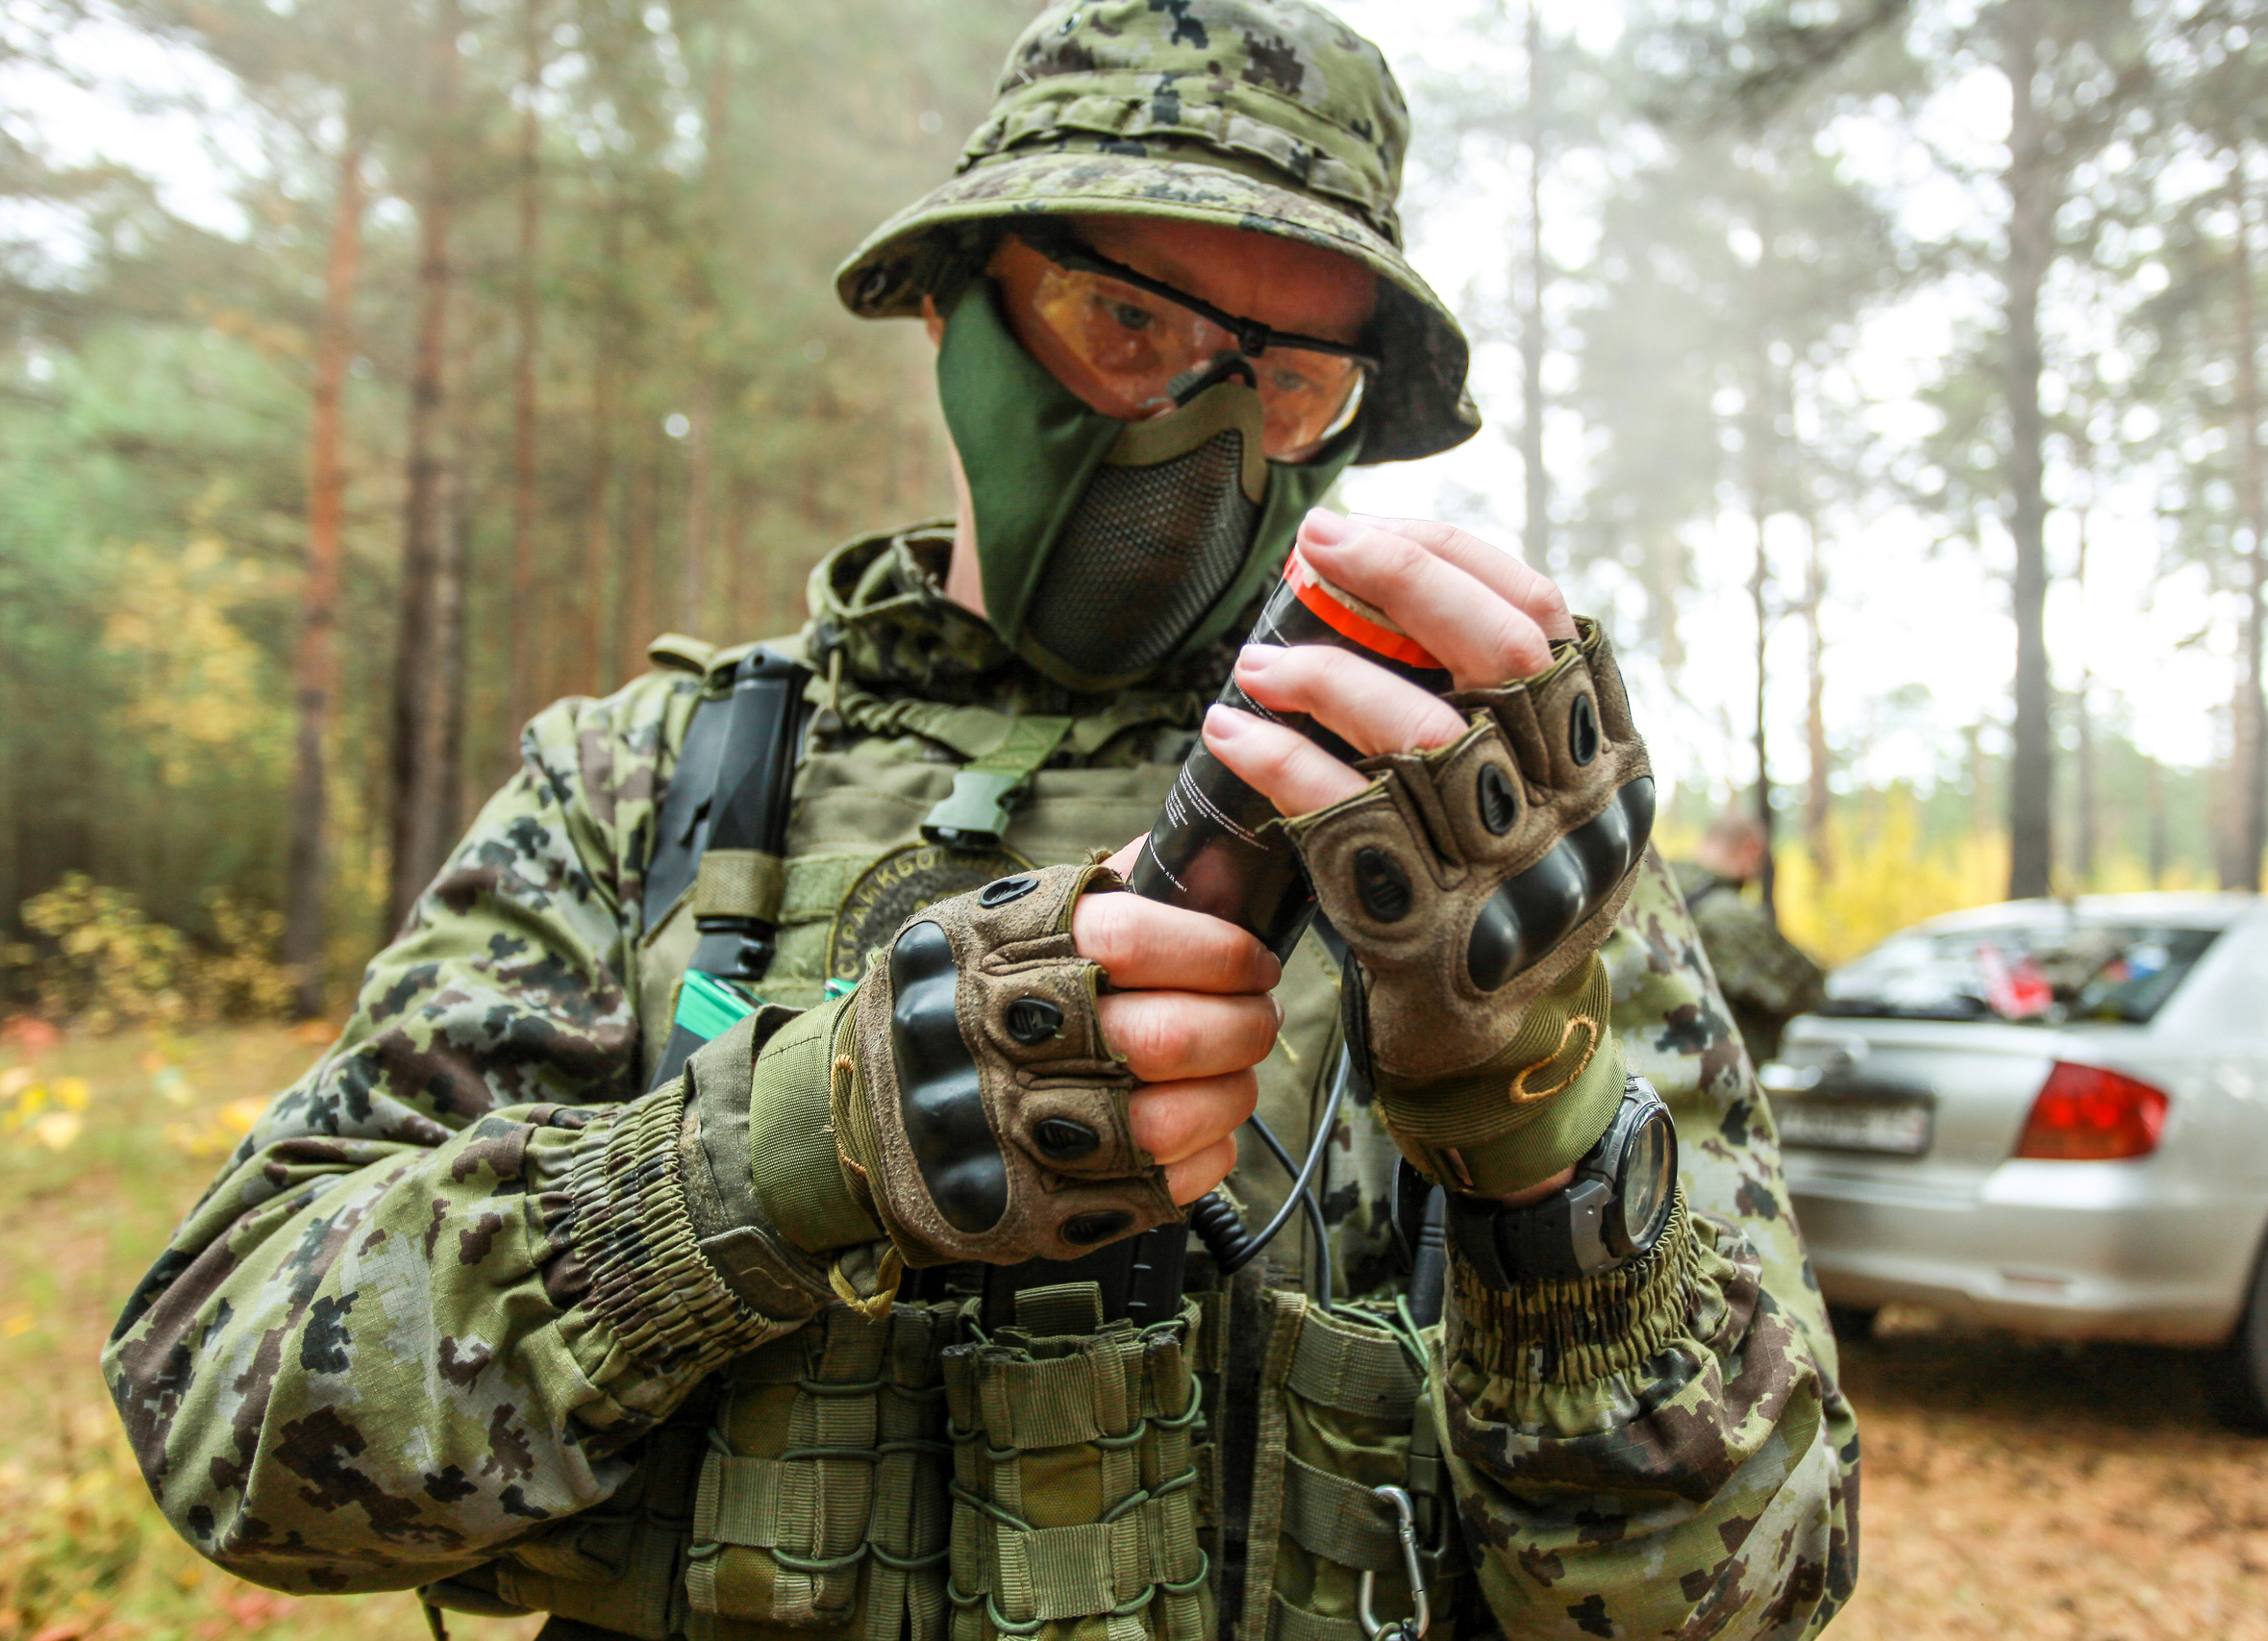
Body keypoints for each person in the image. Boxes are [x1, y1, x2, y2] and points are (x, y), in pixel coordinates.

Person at [103, 6, 1857, 1638]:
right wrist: (791, 1148)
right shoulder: (655, 782)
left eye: (1288, 382)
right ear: (951, 310)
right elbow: (222, 1412)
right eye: (1130, 326)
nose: (1206, 429)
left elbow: (1749, 1588)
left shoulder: (1475, 843)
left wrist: (1532, 1129)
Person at [1675, 812, 1829, 1068]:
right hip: (1708, 1085)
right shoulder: (1728, 916)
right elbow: (1806, 989)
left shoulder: (1645, 893)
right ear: (1750, 850)